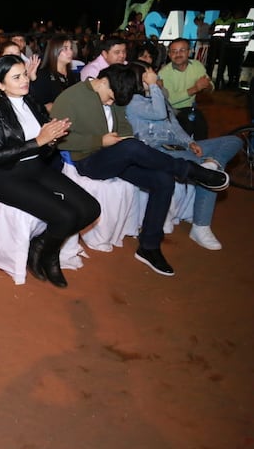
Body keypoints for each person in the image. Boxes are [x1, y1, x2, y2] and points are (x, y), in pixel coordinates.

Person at [51, 64, 230, 276]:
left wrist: (120, 139)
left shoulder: (116, 94)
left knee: (163, 180)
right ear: (103, 81)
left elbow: (125, 128)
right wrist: (99, 140)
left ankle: (149, 247)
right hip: (88, 161)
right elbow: (58, 141)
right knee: (132, 147)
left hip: (117, 155)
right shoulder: (70, 98)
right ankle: (191, 170)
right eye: (109, 98)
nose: (110, 103)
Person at [0, 55, 100, 287]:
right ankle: (48, 255)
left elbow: (44, 148)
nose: (25, 80)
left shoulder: (30, 102)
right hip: (7, 176)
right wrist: (39, 141)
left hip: (36, 168)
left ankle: (41, 245)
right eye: (16, 77)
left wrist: (53, 138)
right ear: (1, 84)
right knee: (66, 216)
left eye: (24, 74)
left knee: (91, 209)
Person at [125, 60, 241, 250]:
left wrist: (190, 142)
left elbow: (173, 125)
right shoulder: (133, 102)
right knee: (210, 177)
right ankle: (201, 226)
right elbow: (159, 113)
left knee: (233, 141)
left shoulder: (157, 96)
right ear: (139, 79)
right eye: (148, 73)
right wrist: (155, 86)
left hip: (181, 148)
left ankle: (211, 165)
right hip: (161, 153)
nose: (154, 74)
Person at [158, 38, 214, 141]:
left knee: (201, 125)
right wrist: (195, 88)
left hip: (191, 108)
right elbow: (170, 100)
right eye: (174, 51)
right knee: (190, 123)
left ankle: (200, 151)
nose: (178, 54)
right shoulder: (164, 73)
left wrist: (207, 86)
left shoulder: (197, 66)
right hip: (170, 111)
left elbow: (210, 86)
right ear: (169, 55)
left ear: (189, 52)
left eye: (182, 50)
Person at [29, 33, 80, 113]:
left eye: (71, 48)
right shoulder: (44, 75)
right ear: (55, 50)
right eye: (65, 49)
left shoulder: (72, 75)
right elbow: (42, 106)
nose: (70, 52)